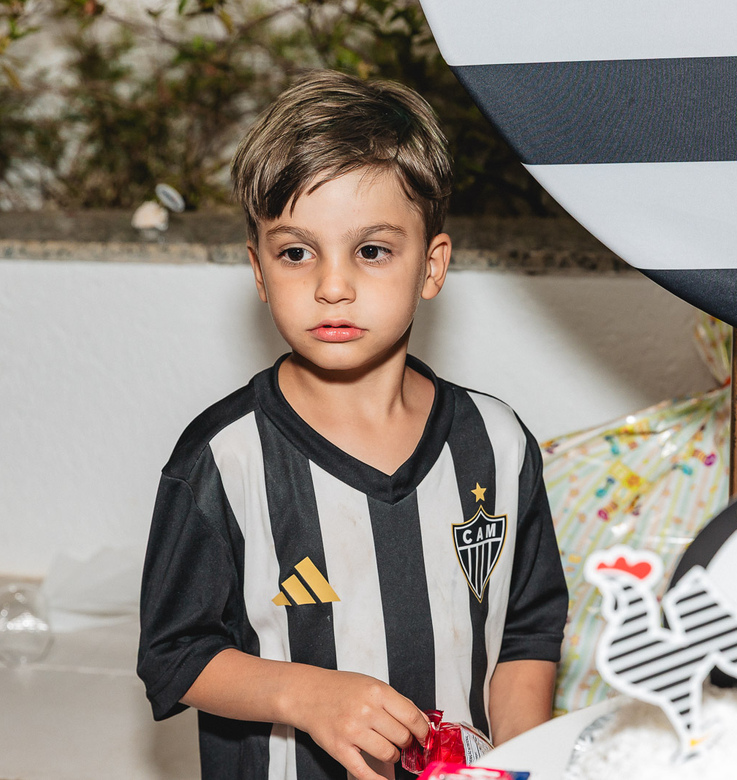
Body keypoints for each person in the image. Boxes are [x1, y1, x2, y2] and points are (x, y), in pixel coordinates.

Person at [136, 69, 569, 780]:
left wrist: (520, 767)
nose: (332, 286)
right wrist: (304, 695)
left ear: (431, 266)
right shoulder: (223, 459)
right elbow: (174, 656)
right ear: (258, 270)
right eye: (296, 252)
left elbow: (526, 633)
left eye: (371, 251)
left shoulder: (498, 445)